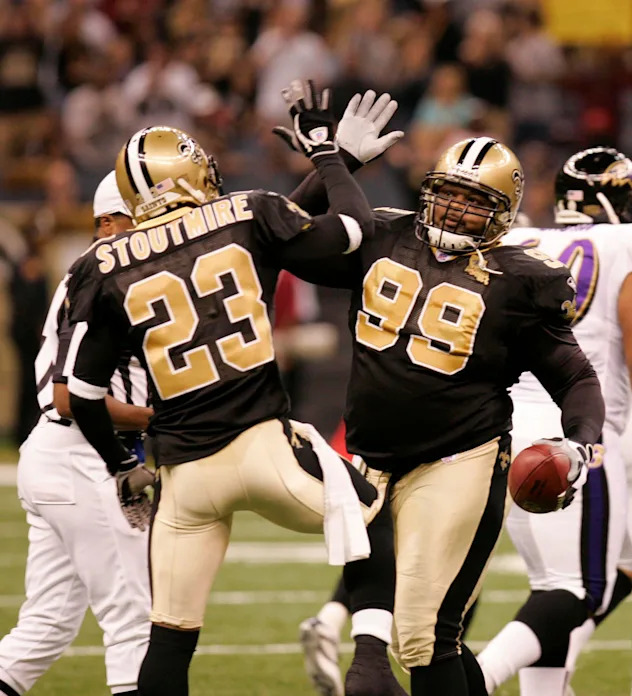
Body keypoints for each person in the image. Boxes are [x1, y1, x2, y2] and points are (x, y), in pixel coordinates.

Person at [63, 82, 400, 696]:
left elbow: (83, 394)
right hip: (264, 448)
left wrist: (121, 466)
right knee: (377, 517)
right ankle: (371, 666)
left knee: (170, 637)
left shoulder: (102, 265)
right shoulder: (247, 212)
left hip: (185, 475)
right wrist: (330, 157)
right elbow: (353, 228)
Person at [285, 132, 606, 696]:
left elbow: (574, 376)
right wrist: (338, 162)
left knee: (423, 635)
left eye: (474, 200)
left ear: (501, 214)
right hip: (372, 458)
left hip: (460, 458)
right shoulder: (384, 234)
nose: (455, 209)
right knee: (414, 638)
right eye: (449, 193)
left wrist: (580, 441)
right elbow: (285, 235)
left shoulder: (523, 278)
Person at [476, 143, 632, 696]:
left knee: (552, 585)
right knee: (582, 589)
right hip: (580, 432)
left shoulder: (524, 240)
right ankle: (476, 679)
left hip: (503, 426)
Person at [0, 172, 152, 696]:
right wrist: (155, 418)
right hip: (84, 454)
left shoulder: (98, 271)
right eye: (144, 220)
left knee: (45, 626)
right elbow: (71, 396)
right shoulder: (104, 273)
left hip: (58, 453)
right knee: (135, 619)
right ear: (108, 223)